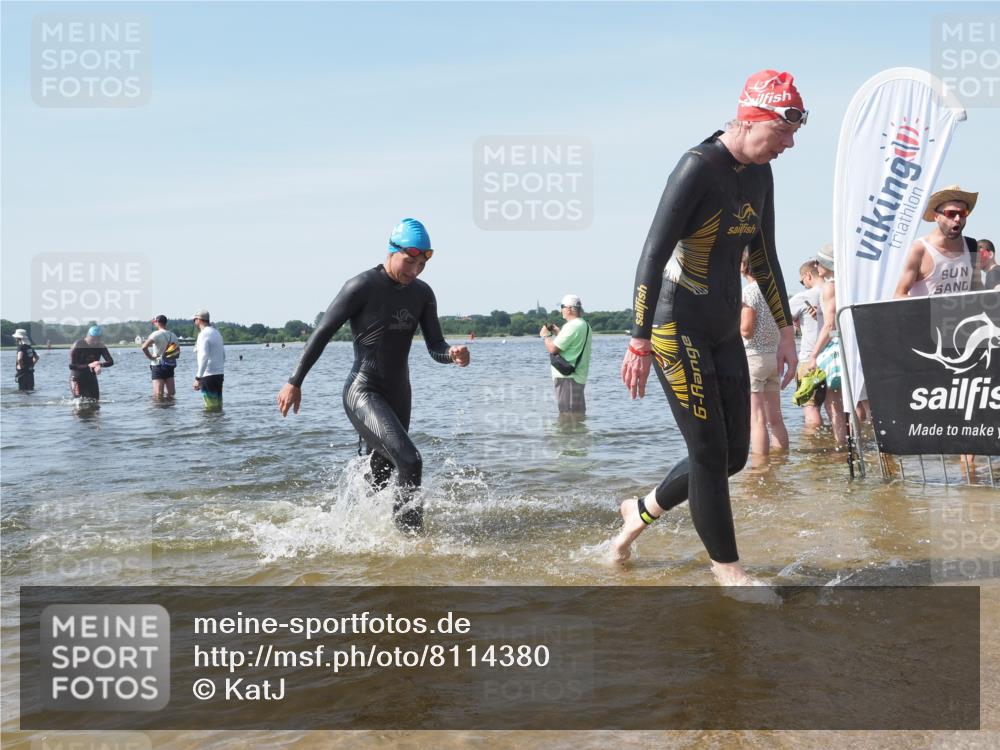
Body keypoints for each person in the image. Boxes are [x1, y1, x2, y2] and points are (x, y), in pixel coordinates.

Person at [614, 70, 803, 585]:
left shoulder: (761, 173)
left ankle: (641, 509)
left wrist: (786, 331)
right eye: (782, 133)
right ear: (750, 118)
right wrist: (638, 337)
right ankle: (727, 568)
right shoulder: (697, 166)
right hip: (676, 326)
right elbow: (652, 254)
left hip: (722, 329)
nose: (788, 145)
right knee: (707, 451)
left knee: (734, 456)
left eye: (793, 136)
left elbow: (764, 256)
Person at [276, 218, 470, 532]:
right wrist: (295, 381)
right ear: (391, 252)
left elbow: (435, 345)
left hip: (399, 394)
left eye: (421, 264)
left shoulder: (422, 294)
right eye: (409, 262)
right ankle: (410, 541)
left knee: (382, 473)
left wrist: (452, 355)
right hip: (363, 391)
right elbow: (323, 332)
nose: (414, 271)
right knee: (410, 460)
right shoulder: (361, 286)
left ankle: (361, 535)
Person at [740, 249, 789, 454]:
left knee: (757, 419)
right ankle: (781, 461)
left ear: (743, 267)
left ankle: (761, 467)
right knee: (776, 418)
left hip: (754, 357)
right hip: (773, 356)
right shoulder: (773, 291)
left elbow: (747, 330)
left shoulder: (749, 292)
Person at [895, 185, 980, 298]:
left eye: (963, 213)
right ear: (936, 216)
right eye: (951, 213)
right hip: (926, 315)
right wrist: (925, 311)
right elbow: (899, 294)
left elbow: (978, 290)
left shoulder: (972, 246)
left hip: (963, 316)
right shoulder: (919, 250)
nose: (957, 219)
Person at [803, 245, 847, 446]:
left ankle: (842, 445)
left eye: (817, 263)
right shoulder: (847, 282)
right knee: (854, 401)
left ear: (827, 264)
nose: (815, 266)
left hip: (836, 346)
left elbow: (830, 324)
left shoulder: (830, 286)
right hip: (852, 344)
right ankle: (857, 443)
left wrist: (813, 355)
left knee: (833, 403)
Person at [539, 294, 592, 416]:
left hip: (567, 379)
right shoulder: (585, 325)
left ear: (569, 308)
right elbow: (572, 343)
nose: (561, 310)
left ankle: (567, 436)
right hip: (578, 377)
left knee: (567, 416)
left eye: (562, 307)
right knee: (577, 415)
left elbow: (553, 349)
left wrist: (546, 336)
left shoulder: (572, 326)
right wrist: (559, 332)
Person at [789, 260, 826, 430]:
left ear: (808, 275)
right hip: (835, 357)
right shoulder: (836, 292)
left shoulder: (803, 297)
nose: (803, 285)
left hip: (810, 358)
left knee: (810, 406)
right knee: (838, 408)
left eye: (802, 281)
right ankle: (840, 446)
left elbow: (782, 321)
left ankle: (814, 448)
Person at [69, 325, 114, 400]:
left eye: (97, 339)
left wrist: (99, 364)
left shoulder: (100, 345)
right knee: (79, 403)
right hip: (77, 378)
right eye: (92, 339)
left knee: (95, 402)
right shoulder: (78, 344)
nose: (95, 342)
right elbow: (72, 366)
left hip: (91, 378)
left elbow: (110, 362)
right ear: (87, 336)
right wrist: (89, 365)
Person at [192, 310, 225, 411]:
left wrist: (198, 378)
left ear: (199, 320)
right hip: (219, 374)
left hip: (208, 375)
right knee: (218, 405)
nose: (194, 322)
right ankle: (219, 425)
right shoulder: (216, 332)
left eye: (194, 320)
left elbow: (204, 356)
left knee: (210, 407)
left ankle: (210, 426)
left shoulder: (203, 334)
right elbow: (223, 355)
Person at [141, 314, 180, 399]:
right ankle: (171, 410)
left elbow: (144, 347)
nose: (154, 323)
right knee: (171, 393)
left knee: (158, 394)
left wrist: (151, 357)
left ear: (157, 322)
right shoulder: (173, 335)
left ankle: (159, 411)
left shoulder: (155, 334)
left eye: (154, 322)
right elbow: (177, 354)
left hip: (157, 365)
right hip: (169, 365)